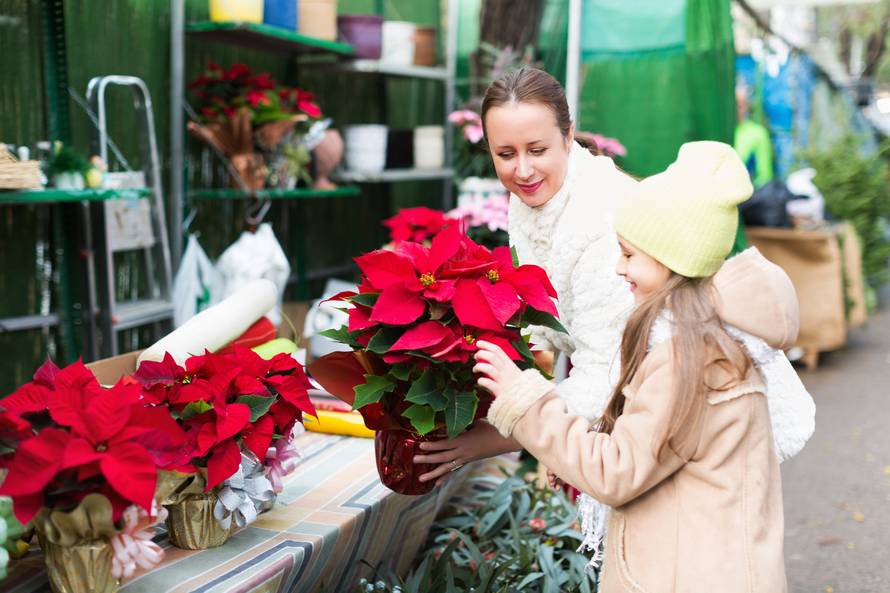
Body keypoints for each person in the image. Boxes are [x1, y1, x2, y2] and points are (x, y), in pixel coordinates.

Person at [414, 67, 813, 486]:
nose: (524, 170)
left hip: (682, 421)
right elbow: (550, 322)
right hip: (629, 412)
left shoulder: (600, 222)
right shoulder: (535, 197)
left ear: (569, 138)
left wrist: (497, 434)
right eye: (506, 154)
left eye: (537, 149)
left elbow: (606, 373)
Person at [475, 141, 790, 592]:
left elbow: (616, 472)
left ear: (670, 260)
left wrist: (524, 399)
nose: (619, 269)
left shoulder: (687, 359)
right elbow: (655, 445)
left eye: (628, 254)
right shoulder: (714, 339)